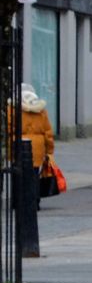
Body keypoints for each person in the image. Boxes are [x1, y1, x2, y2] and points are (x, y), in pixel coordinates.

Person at [6, 85, 54, 258]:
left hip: (20, 145)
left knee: (18, 175)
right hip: (37, 147)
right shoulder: (40, 109)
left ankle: (17, 202)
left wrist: (10, 148)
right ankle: (34, 203)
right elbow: (48, 131)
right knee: (34, 176)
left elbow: (10, 128)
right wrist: (49, 150)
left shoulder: (13, 108)